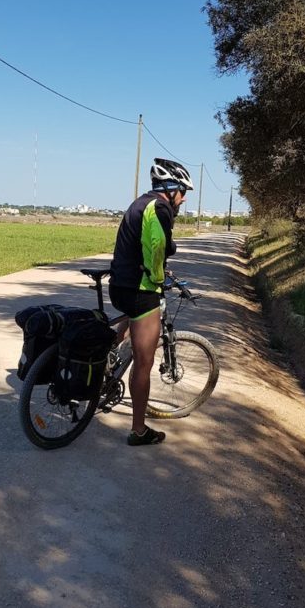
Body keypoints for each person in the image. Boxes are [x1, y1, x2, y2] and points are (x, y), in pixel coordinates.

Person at [109, 158, 194, 445]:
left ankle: (104, 362)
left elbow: (137, 245)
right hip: (140, 289)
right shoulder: (160, 209)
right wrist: (159, 280)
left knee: (128, 322)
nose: (183, 199)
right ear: (171, 189)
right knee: (144, 362)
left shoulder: (140, 203)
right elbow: (156, 247)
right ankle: (138, 430)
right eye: (183, 192)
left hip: (120, 284)